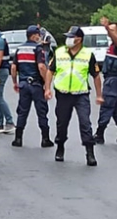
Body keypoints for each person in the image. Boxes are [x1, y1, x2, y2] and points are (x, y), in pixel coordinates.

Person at [44, 26, 104, 166]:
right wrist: (47, 88)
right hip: (63, 93)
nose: (69, 39)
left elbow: (96, 76)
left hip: (81, 94)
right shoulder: (59, 53)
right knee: (62, 123)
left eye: (72, 36)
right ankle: (60, 147)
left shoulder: (88, 55)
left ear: (79, 39)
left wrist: (99, 95)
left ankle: (90, 153)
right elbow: (50, 71)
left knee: (85, 123)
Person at [10, 25, 53, 148]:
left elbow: (13, 68)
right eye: (38, 35)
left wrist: (15, 82)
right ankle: (45, 139)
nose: (39, 37)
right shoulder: (38, 49)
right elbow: (41, 67)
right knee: (41, 112)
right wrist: (46, 83)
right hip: (36, 85)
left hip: (23, 84)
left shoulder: (20, 49)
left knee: (22, 112)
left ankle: (18, 139)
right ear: (33, 35)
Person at [94, 17, 117, 145]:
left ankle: (99, 133)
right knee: (116, 108)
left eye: (114, 31)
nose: (110, 33)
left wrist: (108, 28)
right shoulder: (113, 46)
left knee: (107, 106)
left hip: (113, 80)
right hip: (115, 80)